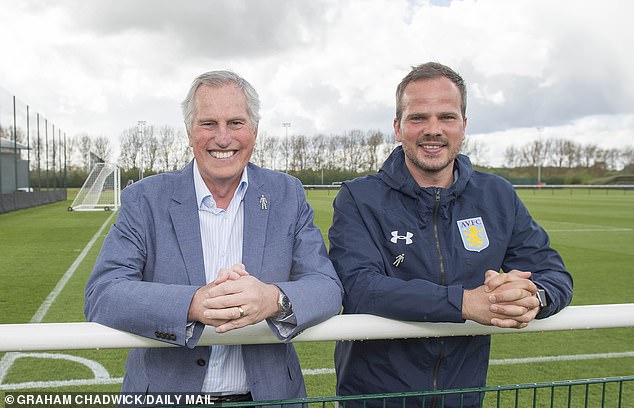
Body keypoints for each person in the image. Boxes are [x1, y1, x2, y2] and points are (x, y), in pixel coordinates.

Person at [84, 70, 343, 403]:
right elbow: (103, 293)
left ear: (255, 130)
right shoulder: (145, 200)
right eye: (208, 124)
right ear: (189, 132)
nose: (223, 138)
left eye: (236, 123)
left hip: (269, 397)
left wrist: (271, 299)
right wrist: (191, 304)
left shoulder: (286, 194)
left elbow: (327, 286)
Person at [328, 62, 573, 407]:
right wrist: (464, 303)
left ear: (463, 126)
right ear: (398, 128)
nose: (433, 130)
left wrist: (534, 296)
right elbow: (359, 288)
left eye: (446, 117)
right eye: (418, 118)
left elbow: (554, 274)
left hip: (462, 398)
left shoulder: (496, 195)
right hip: (375, 399)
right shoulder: (359, 197)